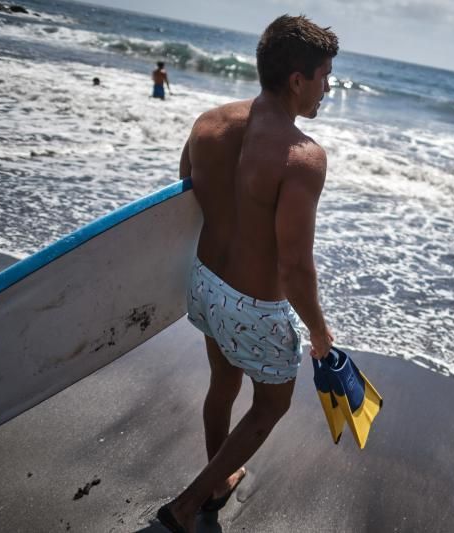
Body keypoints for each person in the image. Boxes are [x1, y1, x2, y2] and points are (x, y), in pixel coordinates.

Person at [156, 15, 338, 533]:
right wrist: (319, 332)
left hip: (205, 287)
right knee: (272, 402)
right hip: (252, 309)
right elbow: (295, 266)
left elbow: (184, 197)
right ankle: (189, 502)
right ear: (297, 80)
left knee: (223, 381)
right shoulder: (302, 157)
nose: (328, 88)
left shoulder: (208, 123)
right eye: (324, 76)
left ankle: (217, 479)